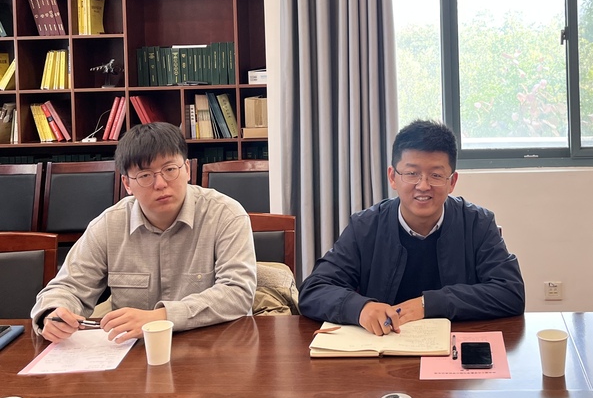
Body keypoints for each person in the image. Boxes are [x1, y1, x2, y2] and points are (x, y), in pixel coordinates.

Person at [31, 122, 257, 343]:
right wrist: (52, 313)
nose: (160, 184)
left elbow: (237, 292)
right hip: (133, 353)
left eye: (170, 170)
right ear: (127, 183)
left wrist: (160, 317)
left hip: (213, 347)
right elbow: (67, 287)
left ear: (187, 169)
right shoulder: (109, 225)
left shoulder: (226, 215)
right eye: (145, 175)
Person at [298, 119, 525, 335]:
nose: (423, 185)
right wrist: (360, 308)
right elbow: (314, 290)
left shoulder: (478, 224)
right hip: (383, 347)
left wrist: (429, 304)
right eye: (411, 174)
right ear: (393, 177)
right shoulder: (365, 227)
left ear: (452, 182)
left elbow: (510, 292)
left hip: (454, 347)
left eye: (436, 175)